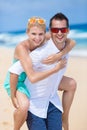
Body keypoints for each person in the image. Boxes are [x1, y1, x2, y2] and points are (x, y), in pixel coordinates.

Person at [8, 13, 76, 130]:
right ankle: (16, 126)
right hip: (19, 80)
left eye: (40, 34)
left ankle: (65, 117)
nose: (37, 38)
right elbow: (18, 73)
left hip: (44, 89)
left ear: (46, 34)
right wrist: (13, 96)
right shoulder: (24, 48)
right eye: (33, 34)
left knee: (71, 84)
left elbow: (71, 42)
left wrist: (59, 55)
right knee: (23, 106)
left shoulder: (53, 38)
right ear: (27, 33)